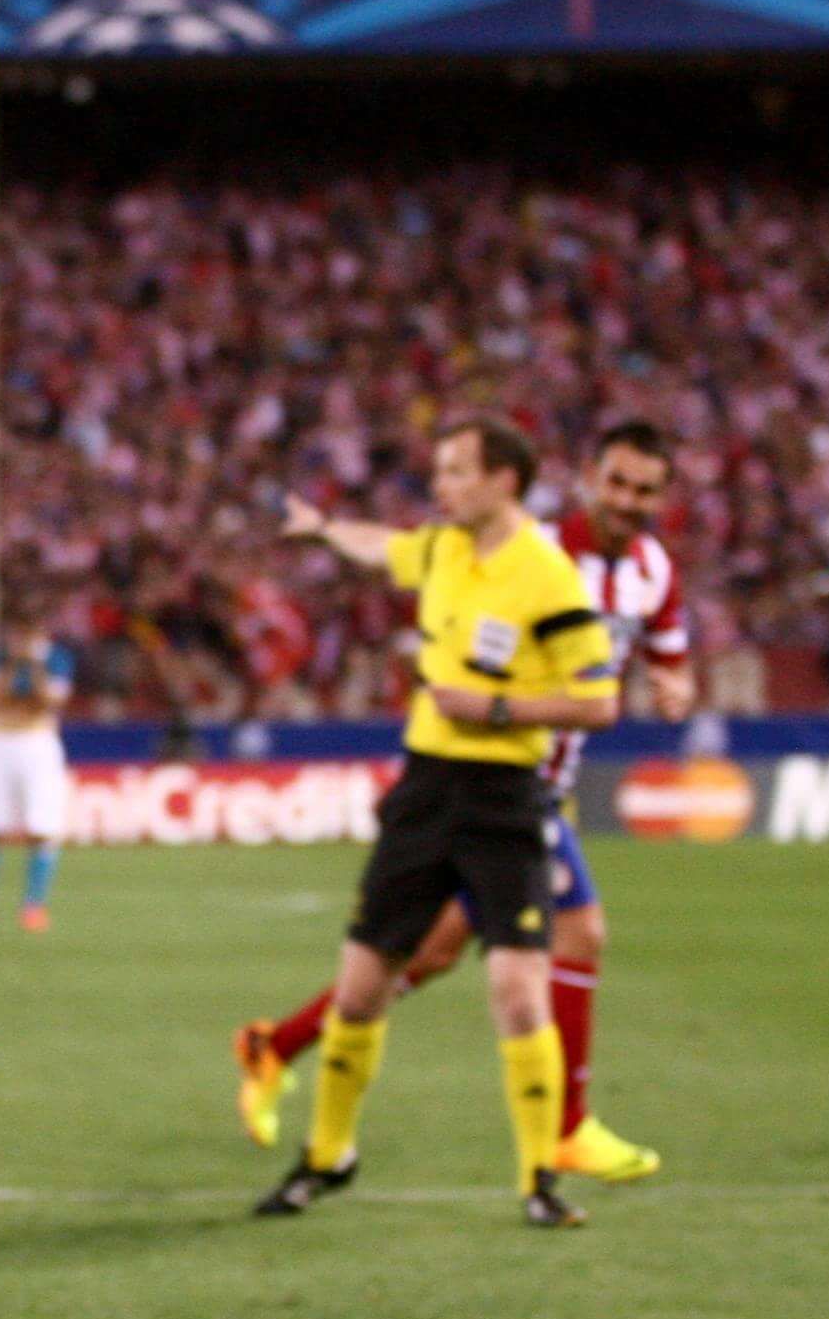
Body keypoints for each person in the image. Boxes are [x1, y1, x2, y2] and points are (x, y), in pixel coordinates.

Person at [233, 421, 695, 1182]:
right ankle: (565, 1130)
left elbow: (668, 658)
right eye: (617, 482)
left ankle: (276, 1045)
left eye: (646, 489)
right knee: (578, 934)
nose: (629, 501)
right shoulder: (530, 552)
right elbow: (400, 549)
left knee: (437, 949)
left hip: (538, 790)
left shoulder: (653, 571)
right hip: (496, 782)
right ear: (587, 477)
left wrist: (678, 687)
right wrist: (321, 530)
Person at [0, 628, 74, 931]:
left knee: (41, 826)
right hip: (0, 740)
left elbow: (48, 701)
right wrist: (13, 665)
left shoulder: (56, 658)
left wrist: (32, 668)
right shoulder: (0, 657)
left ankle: (34, 906)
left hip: (37, 741)